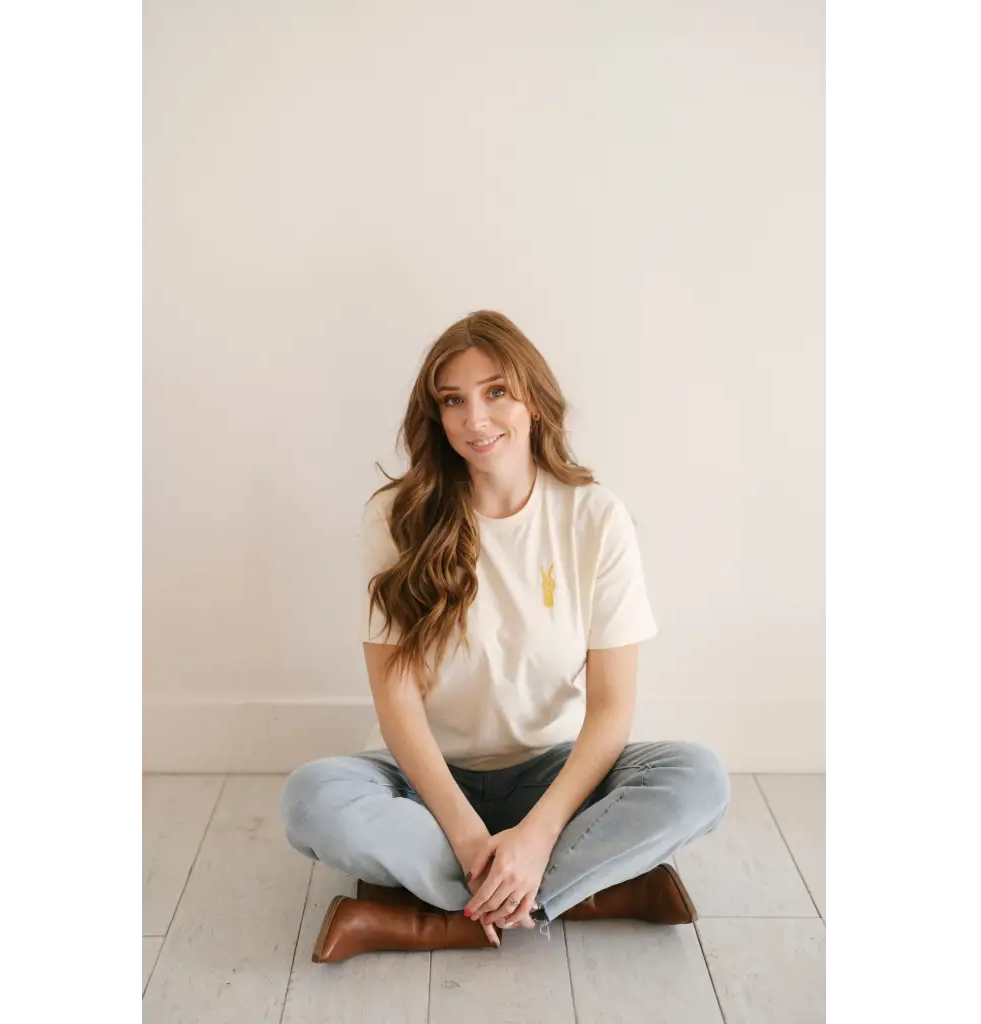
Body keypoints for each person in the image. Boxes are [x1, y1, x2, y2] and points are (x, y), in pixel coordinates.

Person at [280, 310, 730, 964]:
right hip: (424, 779)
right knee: (311, 799)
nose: (475, 418)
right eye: (453, 401)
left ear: (534, 402)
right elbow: (397, 702)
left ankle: (442, 916)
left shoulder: (594, 517)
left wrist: (539, 834)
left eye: (496, 392)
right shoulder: (395, 516)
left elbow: (610, 710)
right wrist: (466, 836)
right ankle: (590, 895)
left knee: (699, 779)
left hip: (553, 772)